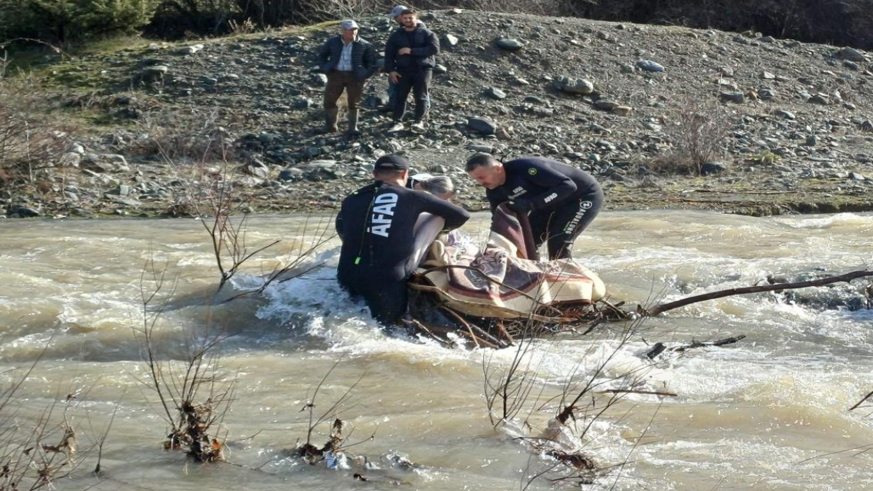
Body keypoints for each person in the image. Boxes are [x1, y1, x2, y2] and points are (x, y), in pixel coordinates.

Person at [336, 155, 470, 325]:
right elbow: (461, 215)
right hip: (386, 279)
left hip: (347, 273)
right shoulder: (411, 196)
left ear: (374, 174)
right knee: (388, 332)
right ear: (405, 174)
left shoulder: (351, 199)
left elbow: (341, 228)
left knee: (345, 322)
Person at [465, 154, 604, 260]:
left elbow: (568, 186)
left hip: (582, 196)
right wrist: (493, 247)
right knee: (526, 241)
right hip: (548, 203)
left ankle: (567, 282)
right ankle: (533, 276)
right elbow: (498, 220)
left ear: (497, 169)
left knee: (558, 241)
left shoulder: (527, 168)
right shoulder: (494, 191)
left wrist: (531, 204)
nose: (479, 183)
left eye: (481, 177)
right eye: (475, 179)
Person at [317, 20, 378, 136]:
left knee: (354, 103)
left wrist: (364, 74)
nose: (352, 32)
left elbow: (371, 62)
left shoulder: (364, 44)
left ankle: (353, 128)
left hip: (355, 76)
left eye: (354, 29)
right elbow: (322, 55)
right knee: (329, 101)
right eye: (349, 30)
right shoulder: (333, 42)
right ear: (343, 30)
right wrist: (325, 68)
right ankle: (330, 126)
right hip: (336, 74)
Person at [384, 9, 439, 132]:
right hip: (403, 70)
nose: (408, 20)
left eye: (410, 18)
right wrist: (391, 70)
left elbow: (434, 49)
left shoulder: (427, 33)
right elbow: (389, 54)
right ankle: (397, 122)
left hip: (422, 69)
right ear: (401, 19)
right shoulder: (396, 35)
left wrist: (411, 51)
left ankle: (419, 121)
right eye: (405, 18)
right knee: (400, 96)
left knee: (421, 96)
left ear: (416, 18)